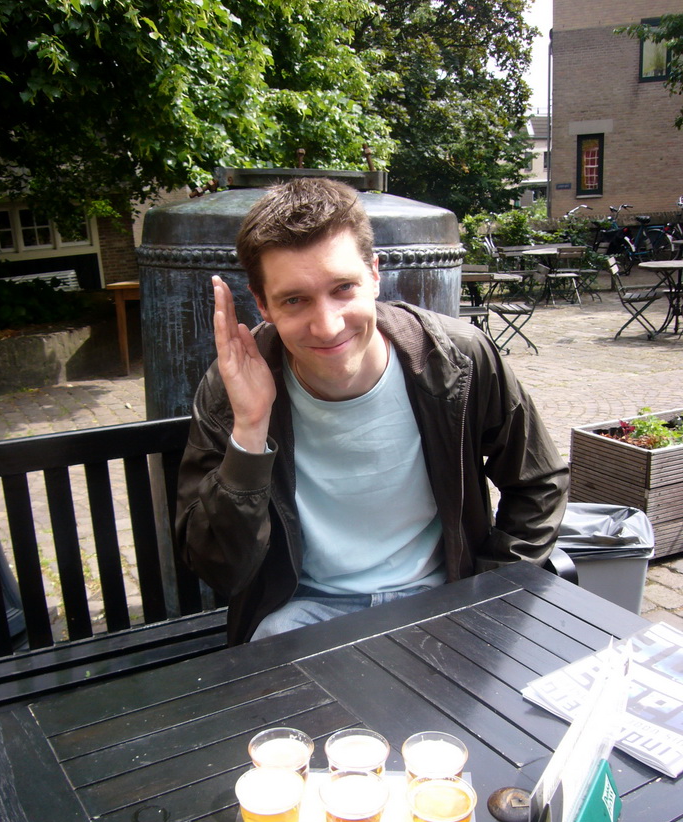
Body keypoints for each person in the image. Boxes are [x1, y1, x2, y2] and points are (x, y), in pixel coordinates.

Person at [176, 177, 568, 645]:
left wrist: (489, 590)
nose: (326, 325)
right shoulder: (232, 387)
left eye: (343, 287)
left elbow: (539, 483)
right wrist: (251, 428)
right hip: (303, 611)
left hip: (442, 598)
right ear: (262, 304)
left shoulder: (457, 359)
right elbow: (220, 569)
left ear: (375, 274)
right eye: (294, 299)